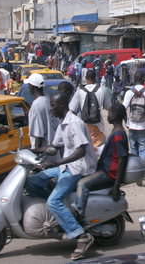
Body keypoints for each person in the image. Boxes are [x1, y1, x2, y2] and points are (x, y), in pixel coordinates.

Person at [25, 92, 97, 261]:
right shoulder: (62, 123)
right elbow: (54, 146)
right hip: (66, 166)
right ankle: (60, 214)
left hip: (78, 168)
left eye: (53, 105)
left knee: (53, 201)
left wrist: (57, 163)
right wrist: (30, 151)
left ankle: (81, 236)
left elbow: (81, 151)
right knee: (32, 181)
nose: (51, 108)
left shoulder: (75, 123)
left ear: (62, 106)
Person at [74, 103, 129, 217]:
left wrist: (116, 185)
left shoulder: (118, 134)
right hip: (105, 170)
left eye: (109, 113)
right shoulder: (116, 131)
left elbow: (122, 159)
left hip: (109, 173)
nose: (108, 115)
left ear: (115, 115)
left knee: (82, 184)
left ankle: (78, 215)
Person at [123, 71, 145, 184]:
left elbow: (123, 109)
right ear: (143, 79)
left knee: (134, 150)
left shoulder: (128, 92)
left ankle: (136, 173)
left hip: (131, 125)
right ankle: (140, 173)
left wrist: (126, 122)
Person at [69, 70, 112, 147]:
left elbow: (72, 109)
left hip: (84, 125)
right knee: (99, 148)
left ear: (85, 78)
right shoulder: (102, 89)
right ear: (95, 78)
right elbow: (108, 107)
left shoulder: (80, 91)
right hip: (98, 126)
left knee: (86, 149)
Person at [26, 73, 59, 150]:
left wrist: (36, 151)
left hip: (43, 151)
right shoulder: (48, 100)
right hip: (52, 148)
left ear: (32, 87)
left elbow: (38, 133)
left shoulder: (36, 105)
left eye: (29, 85)